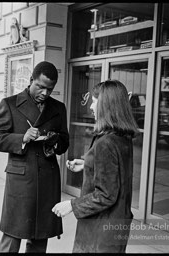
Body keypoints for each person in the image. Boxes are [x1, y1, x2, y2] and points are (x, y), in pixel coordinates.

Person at [0, 61, 69, 253]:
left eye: (50, 89)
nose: (45, 94)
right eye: (40, 87)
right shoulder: (10, 104)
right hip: (21, 179)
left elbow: (65, 142)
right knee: (12, 235)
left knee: (40, 237)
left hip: (47, 180)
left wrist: (54, 140)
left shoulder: (59, 108)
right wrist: (21, 138)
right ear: (31, 80)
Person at [52, 80, 139, 253]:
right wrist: (88, 164)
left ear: (106, 105)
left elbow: (106, 195)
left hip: (100, 230)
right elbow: (116, 171)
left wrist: (71, 205)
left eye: (94, 101)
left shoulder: (106, 142)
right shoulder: (122, 137)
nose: (91, 107)